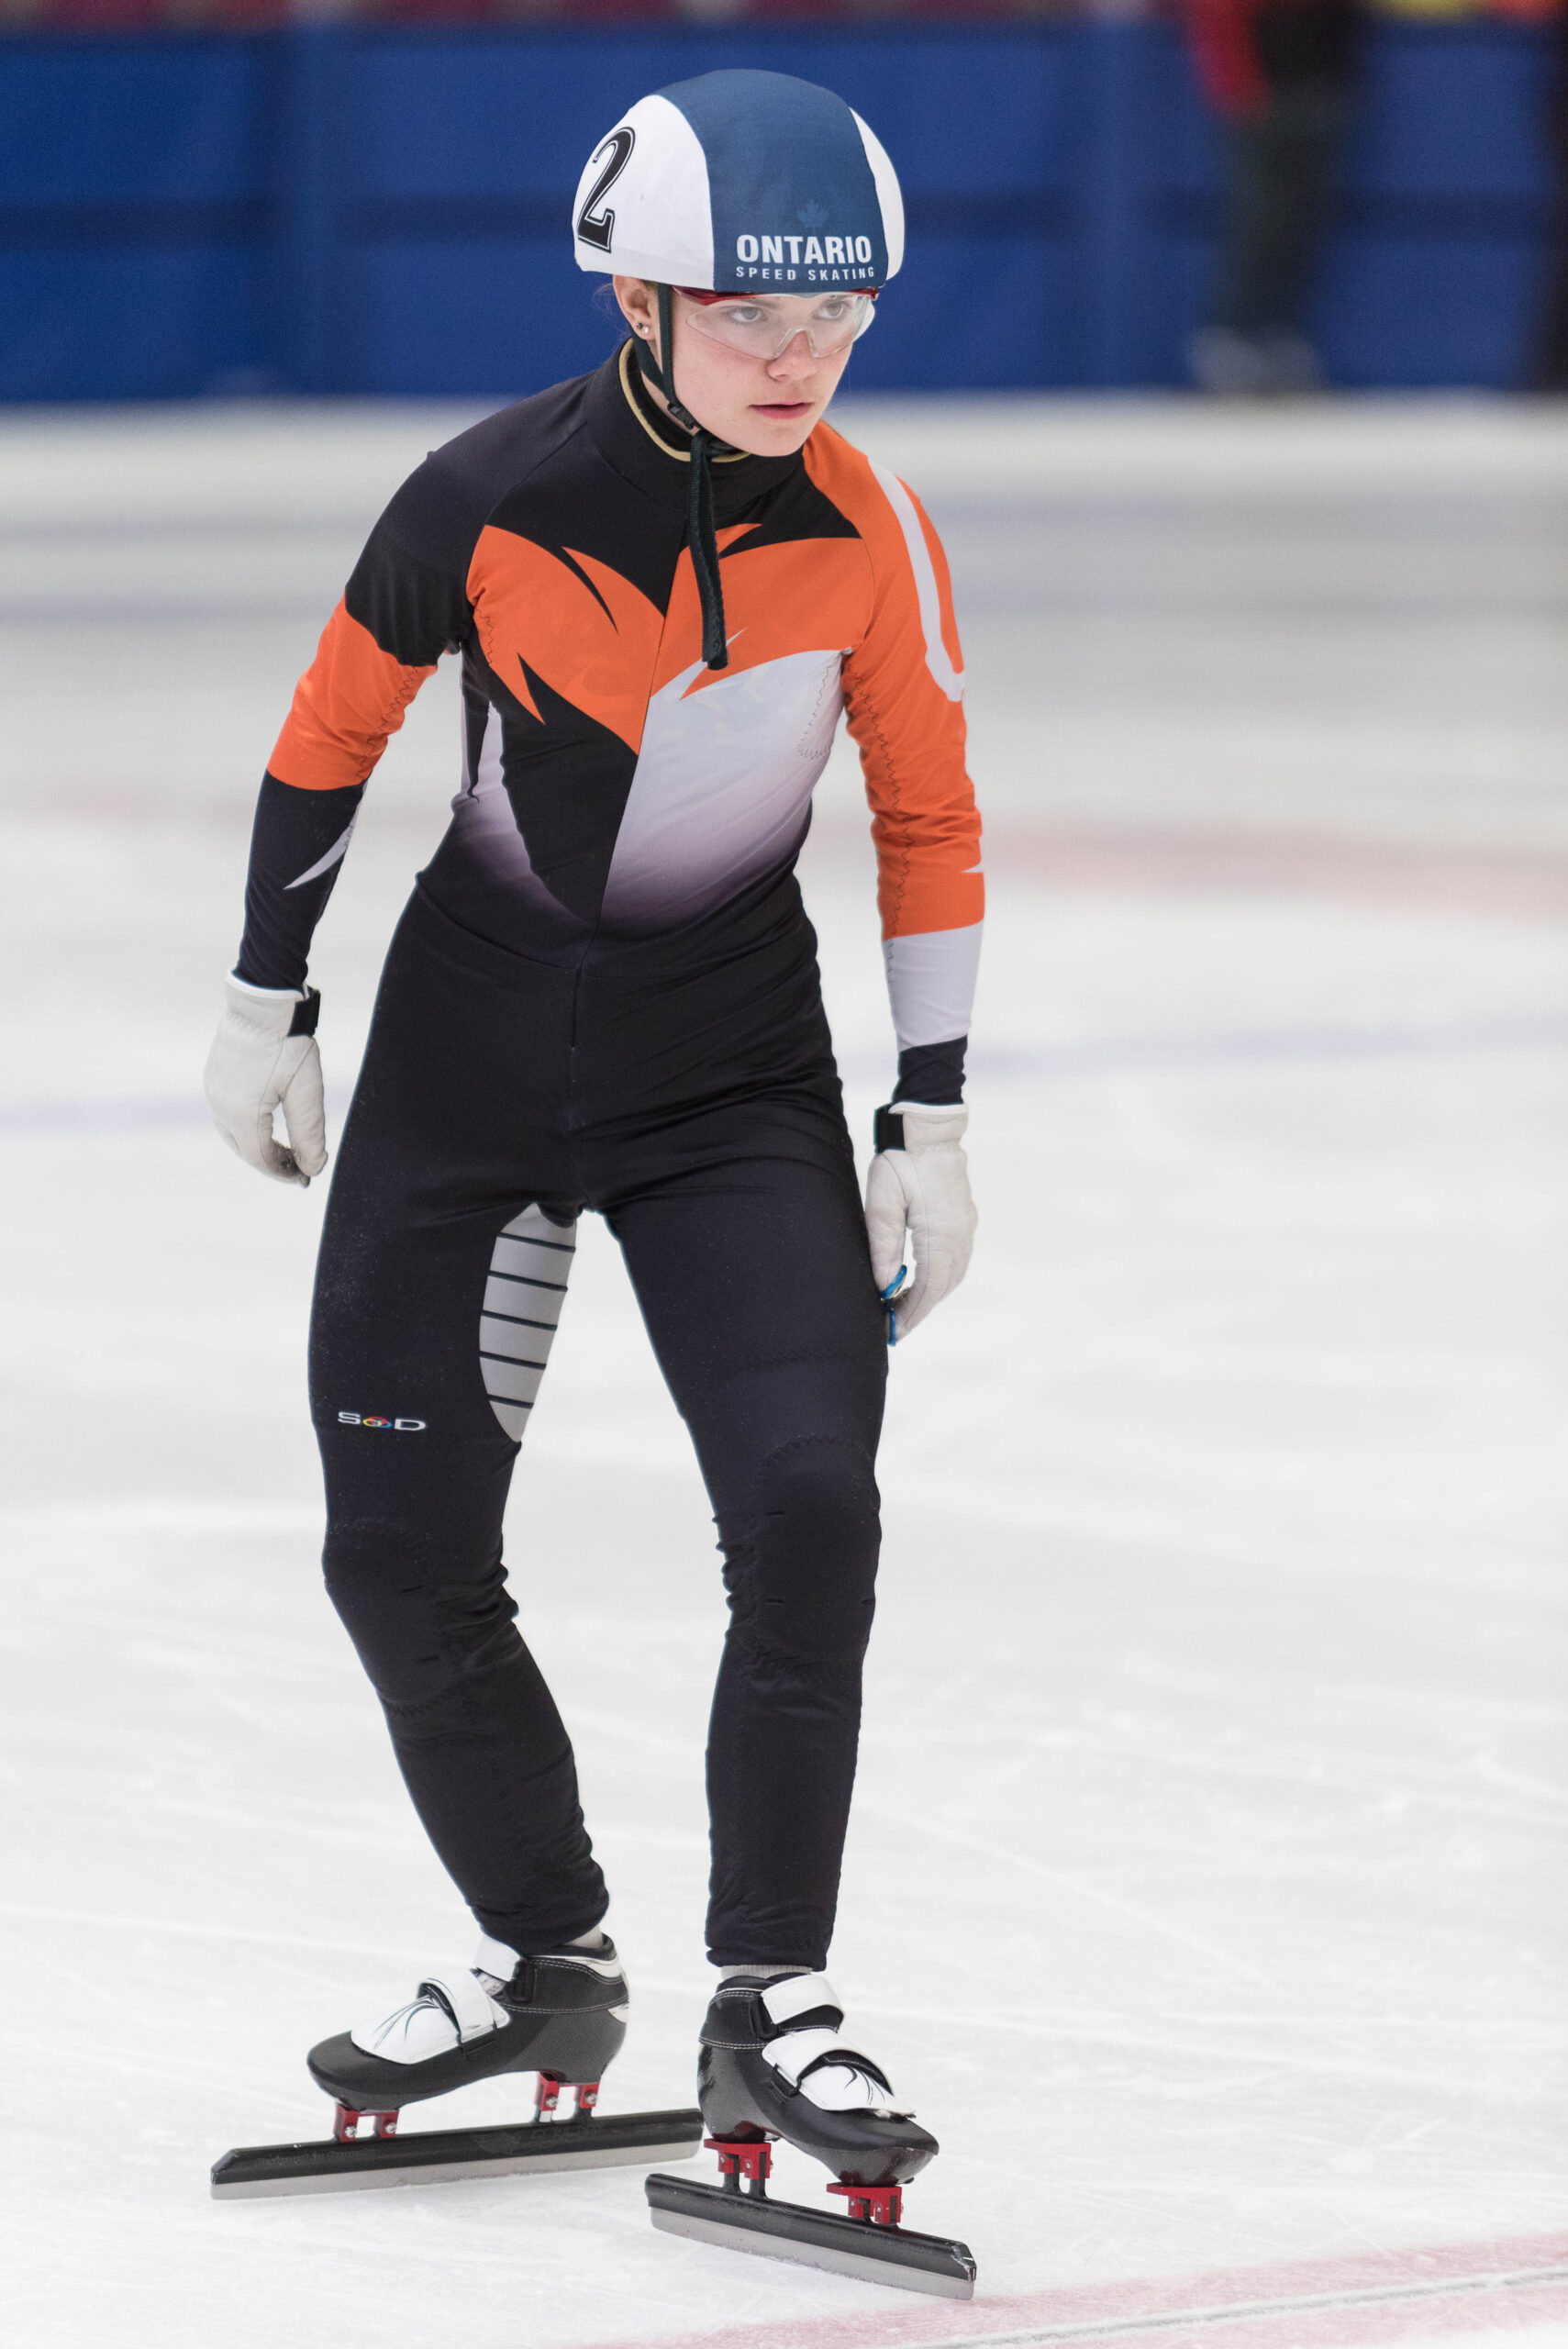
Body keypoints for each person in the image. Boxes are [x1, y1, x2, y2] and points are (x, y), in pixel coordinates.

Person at [202, 69, 984, 2218]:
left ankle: (778, 1990)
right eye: (750, 313)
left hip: (730, 1086)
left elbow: (925, 814)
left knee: (814, 1504)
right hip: (466, 1080)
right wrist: (271, 996)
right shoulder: (482, 495)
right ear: (640, 293)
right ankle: (545, 1953)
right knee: (399, 1550)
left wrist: (931, 1105)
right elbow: (328, 740)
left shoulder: (872, 527)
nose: (798, 358)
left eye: (837, 317)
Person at [1184, 0, 1363, 395]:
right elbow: (1219, 15)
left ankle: (1276, 334)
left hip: (1320, 82)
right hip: (1265, 91)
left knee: (1299, 221)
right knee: (1262, 219)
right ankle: (1230, 334)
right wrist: (1241, 89)